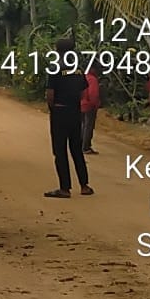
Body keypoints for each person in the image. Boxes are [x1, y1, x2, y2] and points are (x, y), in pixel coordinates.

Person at [44, 36, 93, 198]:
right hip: (75, 113)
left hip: (59, 112)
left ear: (57, 50)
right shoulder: (77, 69)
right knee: (76, 149)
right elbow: (83, 92)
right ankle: (84, 185)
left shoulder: (55, 68)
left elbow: (50, 94)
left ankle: (64, 188)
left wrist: (53, 107)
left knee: (60, 150)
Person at [81, 63, 101, 154]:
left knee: (82, 126)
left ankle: (81, 145)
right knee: (88, 127)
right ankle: (86, 147)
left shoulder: (83, 77)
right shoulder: (92, 79)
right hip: (89, 106)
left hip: (80, 105)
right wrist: (95, 104)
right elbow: (93, 94)